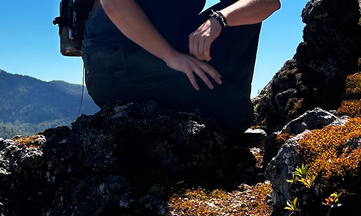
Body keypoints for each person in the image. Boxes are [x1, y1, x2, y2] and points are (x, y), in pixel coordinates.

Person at [82, 0, 280, 135]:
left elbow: (269, 2)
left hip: (168, 50)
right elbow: (114, 4)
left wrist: (220, 19)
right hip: (114, 60)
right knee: (237, 112)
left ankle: (229, 108)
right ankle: (229, 114)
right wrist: (171, 56)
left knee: (237, 10)